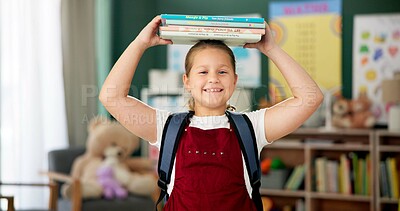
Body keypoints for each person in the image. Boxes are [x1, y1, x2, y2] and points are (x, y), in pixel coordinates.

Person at [99, 15, 323, 211]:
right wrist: (140, 43)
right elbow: (112, 97)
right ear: (187, 81)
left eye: (223, 71)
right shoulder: (166, 127)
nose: (213, 78)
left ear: (235, 81)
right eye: (203, 71)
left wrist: (270, 48)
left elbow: (310, 98)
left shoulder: (252, 128)